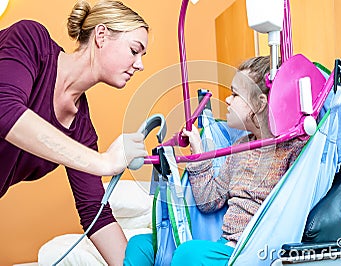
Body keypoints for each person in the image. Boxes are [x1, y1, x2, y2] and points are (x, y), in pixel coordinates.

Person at [0, 0, 149, 265]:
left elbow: (95, 213)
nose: (140, 65)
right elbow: (5, 111)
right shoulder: (31, 42)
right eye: (134, 50)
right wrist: (103, 162)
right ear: (101, 35)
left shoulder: (82, 131)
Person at [123, 56, 307, 265]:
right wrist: (198, 152)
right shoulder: (240, 148)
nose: (227, 100)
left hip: (250, 252)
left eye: (235, 94)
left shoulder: (294, 149)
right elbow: (209, 201)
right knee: (140, 245)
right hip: (224, 246)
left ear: (260, 103)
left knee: (188, 254)